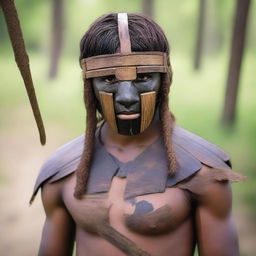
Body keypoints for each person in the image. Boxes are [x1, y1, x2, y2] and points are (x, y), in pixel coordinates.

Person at [31, 13, 244, 256]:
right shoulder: (61, 172)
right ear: (89, 85)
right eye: (109, 79)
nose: (127, 97)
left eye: (143, 78)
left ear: (164, 81)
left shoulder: (203, 171)